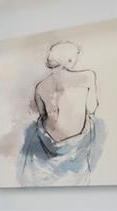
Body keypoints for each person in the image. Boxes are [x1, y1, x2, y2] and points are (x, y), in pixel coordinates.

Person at [18, 41, 106, 186]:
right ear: (70, 59)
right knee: (98, 125)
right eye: (75, 57)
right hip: (76, 140)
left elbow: (42, 114)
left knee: (33, 130)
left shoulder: (40, 86)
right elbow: (92, 108)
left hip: (47, 140)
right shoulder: (88, 77)